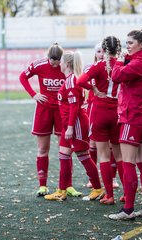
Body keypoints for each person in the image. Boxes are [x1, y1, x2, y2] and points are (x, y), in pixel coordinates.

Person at [108, 28, 142, 220]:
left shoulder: (139, 62)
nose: (127, 46)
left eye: (130, 42)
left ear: (141, 43)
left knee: (129, 163)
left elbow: (115, 76)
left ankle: (128, 209)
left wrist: (120, 60)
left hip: (133, 117)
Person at [19, 43, 81, 197]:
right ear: (47, 57)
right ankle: (42, 186)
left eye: (56, 62)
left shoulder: (66, 67)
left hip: (62, 111)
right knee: (42, 148)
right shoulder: (39, 64)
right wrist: (33, 94)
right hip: (44, 109)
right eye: (51, 61)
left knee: (66, 149)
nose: (54, 64)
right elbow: (23, 76)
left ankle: (68, 186)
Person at [44, 50, 104, 201]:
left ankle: (97, 188)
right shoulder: (69, 79)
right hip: (68, 124)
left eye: (62, 61)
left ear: (67, 64)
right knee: (63, 156)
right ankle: (61, 191)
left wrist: (70, 127)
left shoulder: (71, 81)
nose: (60, 64)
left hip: (75, 124)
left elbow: (74, 107)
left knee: (83, 156)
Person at [77, 36, 124, 205]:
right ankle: (126, 194)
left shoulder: (98, 66)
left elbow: (80, 81)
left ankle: (109, 196)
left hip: (99, 112)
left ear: (103, 50)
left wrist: (94, 89)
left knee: (103, 155)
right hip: (117, 112)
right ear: (118, 49)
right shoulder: (123, 64)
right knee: (118, 155)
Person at [85, 43, 104, 188]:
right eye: (98, 51)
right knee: (92, 143)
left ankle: (113, 177)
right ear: (95, 53)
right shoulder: (89, 68)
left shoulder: (112, 67)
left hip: (109, 107)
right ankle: (93, 177)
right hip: (92, 107)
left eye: (103, 51)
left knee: (109, 144)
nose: (101, 54)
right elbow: (81, 82)